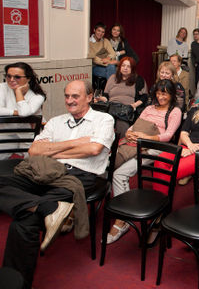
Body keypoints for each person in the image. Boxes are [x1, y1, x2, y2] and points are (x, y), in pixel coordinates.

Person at [0, 80, 114, 288]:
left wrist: (53, 149)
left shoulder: (103, 119)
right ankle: (45, 207)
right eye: (67, 96)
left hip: (80, 175)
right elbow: (34, 152)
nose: (69, 101)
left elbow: (94, 149)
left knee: (25, 220)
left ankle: (14, 284)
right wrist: (76, 143)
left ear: (89, 97)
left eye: (75, 96)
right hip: (46, 171)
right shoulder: (56, 121)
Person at [107, 79, 182, 244]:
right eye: (159, 92)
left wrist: (145, 138)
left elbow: (168, 135)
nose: (161, 96)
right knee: (111, 166)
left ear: (171, 95)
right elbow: (134, 126)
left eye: (165, 93)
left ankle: (122, 220)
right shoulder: (148, 108)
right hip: (136, 142)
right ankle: (125, 212)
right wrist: (129, 133)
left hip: (156, 146)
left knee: (119, 173)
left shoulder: (175, 111)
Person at [0, 62, 46, 158]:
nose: (11, 80)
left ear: (28, 78)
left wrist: (18, 92)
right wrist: (15, 112)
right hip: (5, 134)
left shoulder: (37, 96)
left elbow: (24, 112)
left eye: (17, 77)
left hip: (29, 136)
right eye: (9, 76)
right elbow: (22, 113)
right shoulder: (2, 88)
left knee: (29, 163)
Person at [97, 56, 148, 137]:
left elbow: (144, 97)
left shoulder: (138, 80)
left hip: (126, 110)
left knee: (122, 125)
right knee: (103, 123)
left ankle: (120, 147)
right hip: (111, 107)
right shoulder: (113, 78)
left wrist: (134, 105)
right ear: (119, 67)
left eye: (128, 66)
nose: (125, 68)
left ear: (133, 69)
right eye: (123, 66)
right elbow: (106, 94)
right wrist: (103, 98)